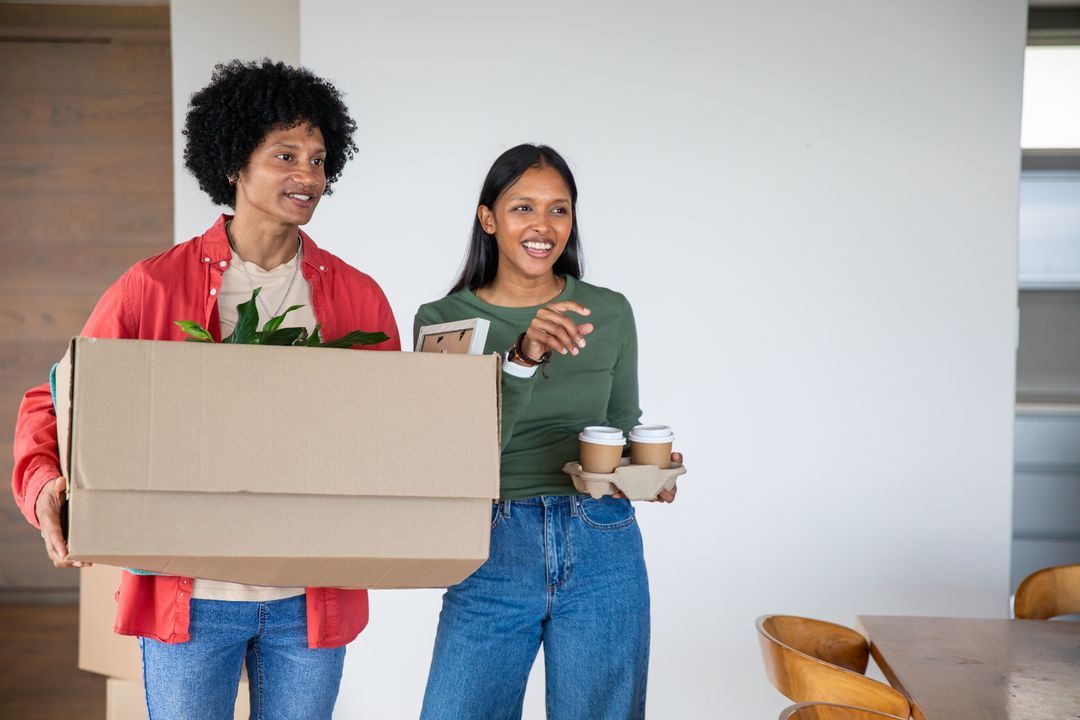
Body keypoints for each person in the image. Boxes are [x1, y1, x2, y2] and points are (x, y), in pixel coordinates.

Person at [12, 59, 399, 720]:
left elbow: (392, 423)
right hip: (189, 598)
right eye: (285, 156)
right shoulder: (152, 287)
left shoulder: (356, 297)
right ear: (233, 164)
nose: (308, 176)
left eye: (318, 158)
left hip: (308, 603)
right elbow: (60, 398)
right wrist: (45, 485)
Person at [414, 144, 681, 720]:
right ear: (489, 219)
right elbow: (450, 454)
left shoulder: (609, 311)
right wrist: (522, 358)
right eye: (522, 208)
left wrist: (648, 470)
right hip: (489, 541)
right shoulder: (442, 322)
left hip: (601, 536)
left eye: (559, 210)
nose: (543, 226)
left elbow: (622, 422)